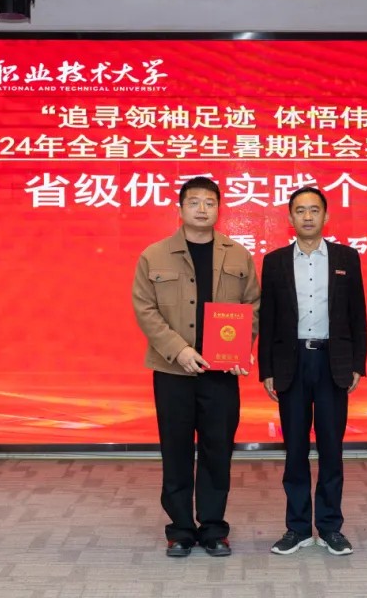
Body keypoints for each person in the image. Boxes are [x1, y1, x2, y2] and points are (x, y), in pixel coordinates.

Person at [131, 176, 260, 558]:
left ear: (219, 208)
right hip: (173, 371)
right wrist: (179, 349)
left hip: (221, 374)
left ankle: (213, 528)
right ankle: (180, 530)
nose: (202, 209)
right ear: (180, 208)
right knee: (176, 451)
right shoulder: (154, 255)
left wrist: (240, 350)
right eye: (194, 202)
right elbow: (145, 309)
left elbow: (254, 306)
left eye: (209, 202)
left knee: (218, 450)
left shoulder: (238, 255)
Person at [258, 186, 367, 556]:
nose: (307, 216)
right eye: (300, 210)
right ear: (290, 218)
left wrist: (357, 363)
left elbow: (357, 315)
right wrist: (267, 369)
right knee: (295, 451)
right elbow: (269, 319)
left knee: (331, 449)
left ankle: (331, 527)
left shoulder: (346, 258)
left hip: (332, 363)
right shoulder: (275, 261)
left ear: (326, 216)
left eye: (314, 210)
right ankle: (298, 528)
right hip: (291, 364)